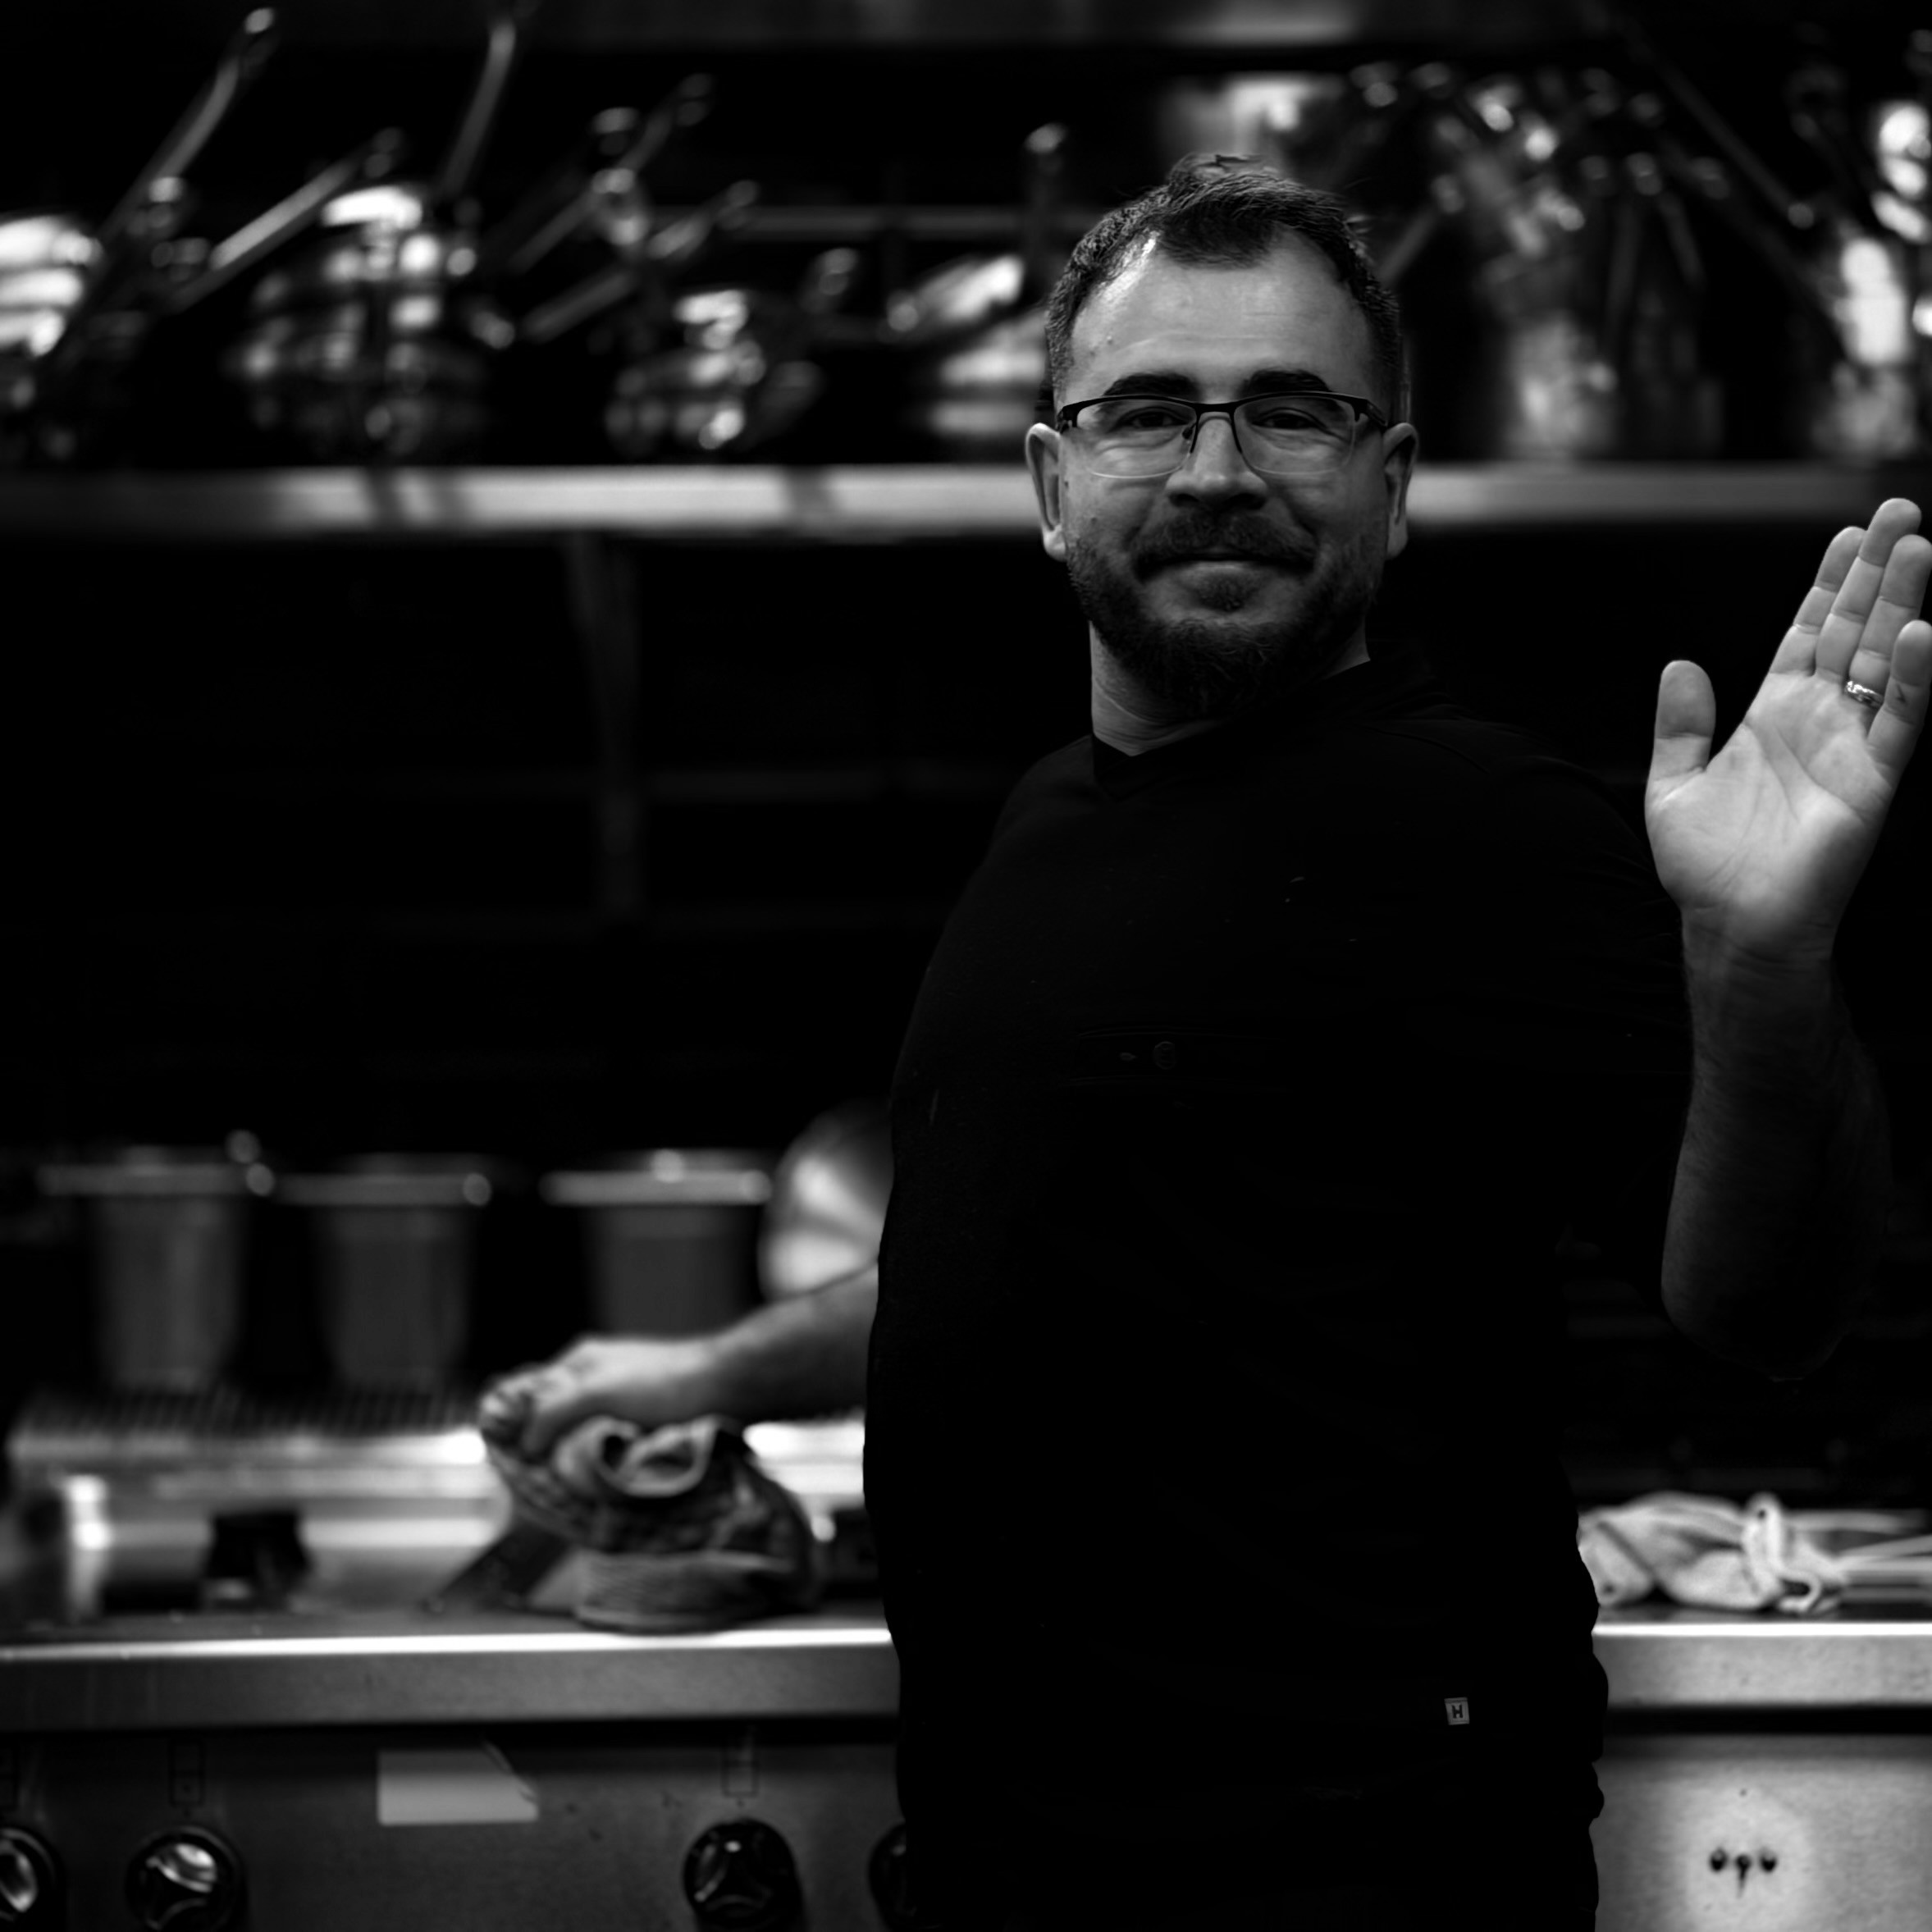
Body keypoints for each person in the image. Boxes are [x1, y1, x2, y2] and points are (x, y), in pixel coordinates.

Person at [485, 157, 1927, 1931]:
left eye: (1292, 415)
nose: (1218, 471)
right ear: (1050, 479)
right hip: (1026, 1862)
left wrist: (1764, 958)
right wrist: (702, 1375)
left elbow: (1767, 1306)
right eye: (1149, 413)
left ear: (1388, 487)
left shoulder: (1487, 829)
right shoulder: (1046, 822)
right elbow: (1019, 1249)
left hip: (1354, 1872)